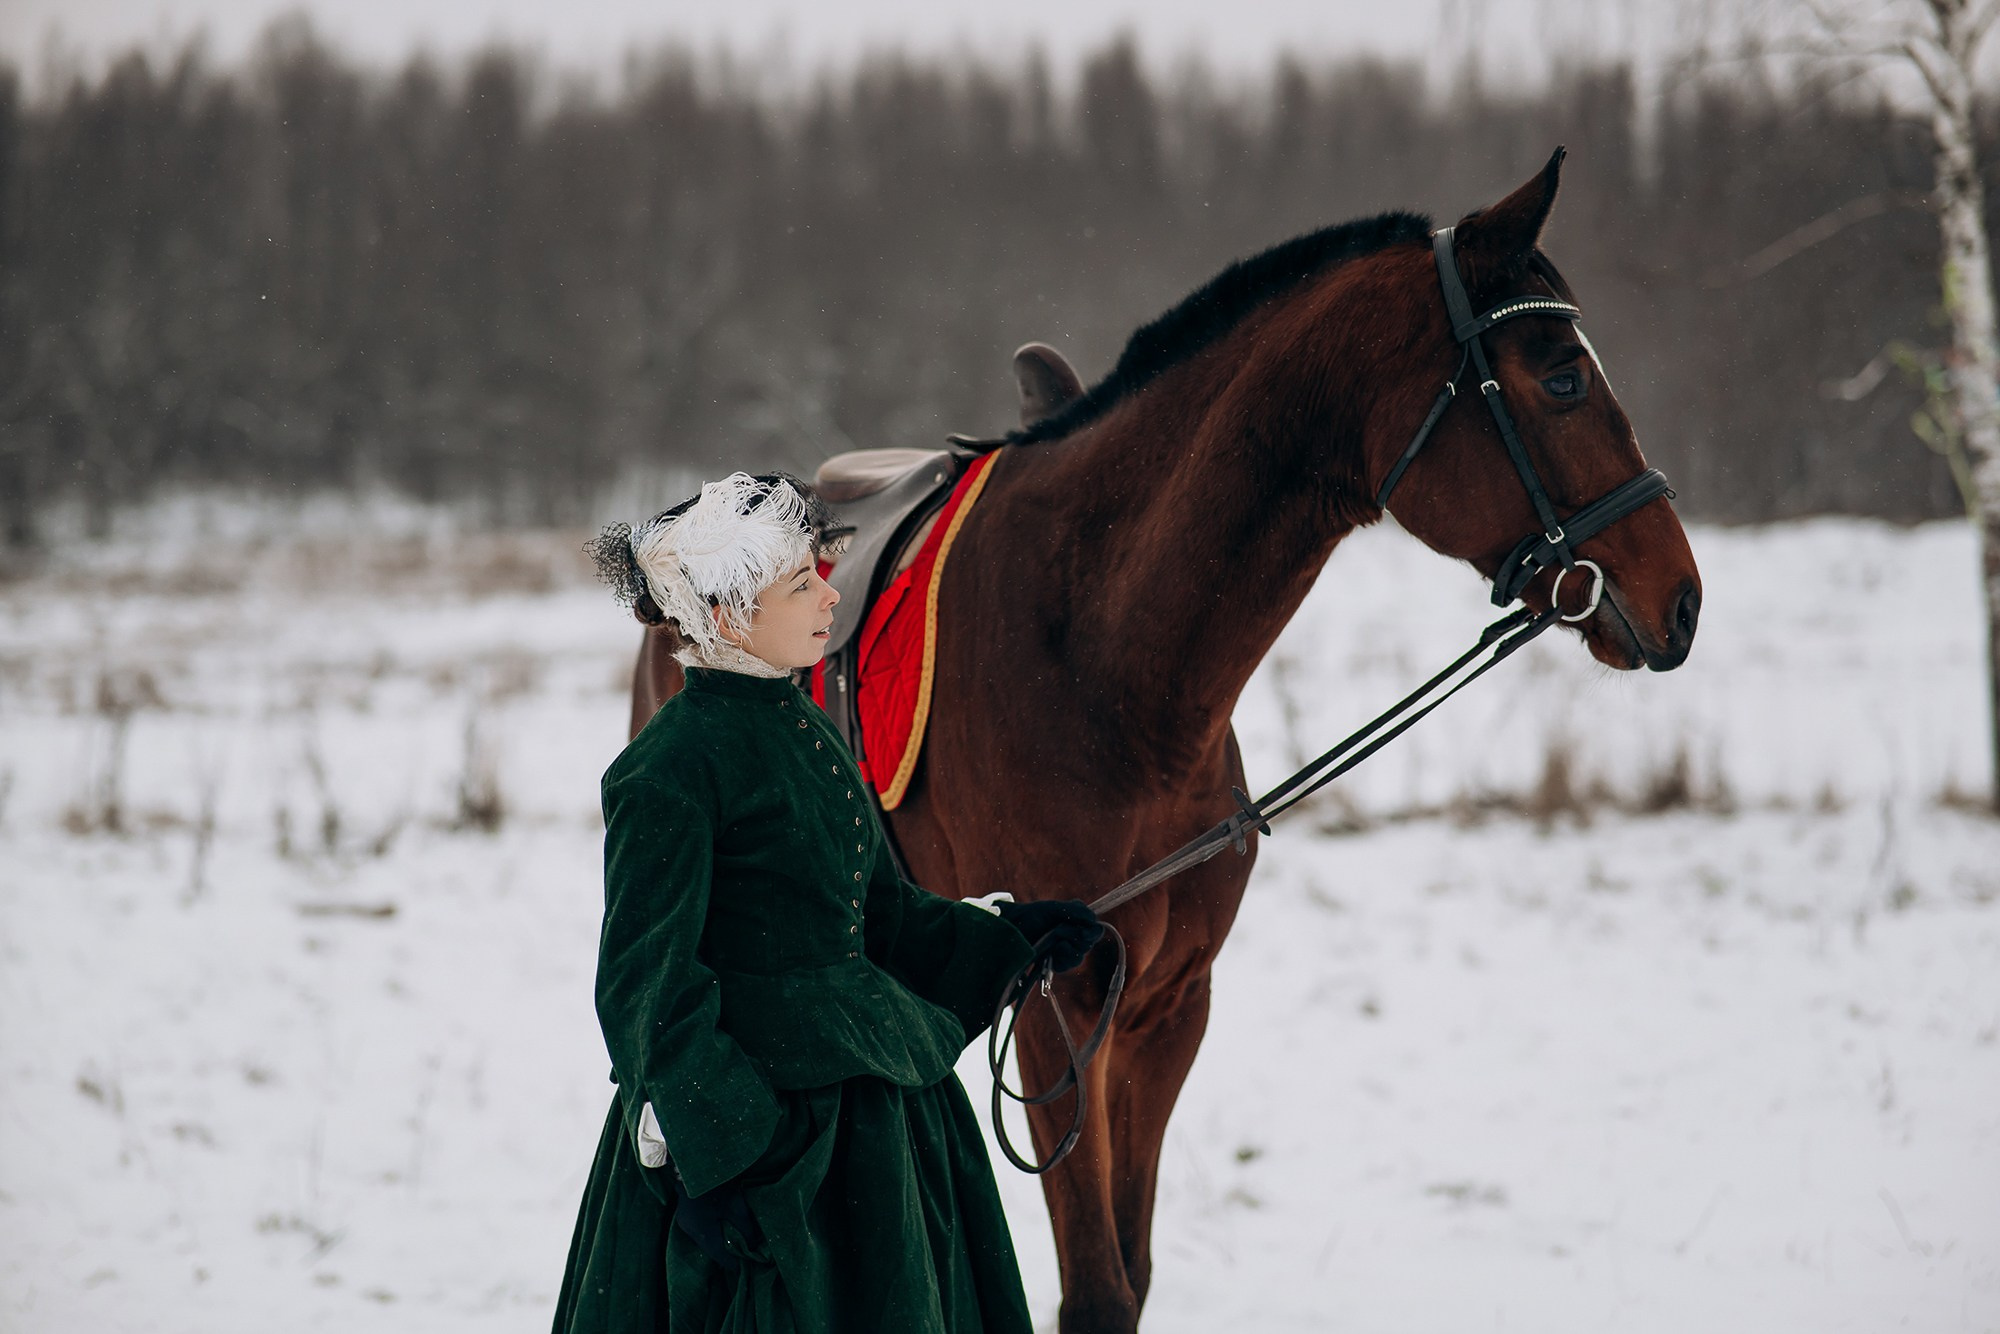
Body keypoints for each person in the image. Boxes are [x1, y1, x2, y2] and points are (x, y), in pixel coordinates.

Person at [556, 471, 1103, 1334]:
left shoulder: (803, 726)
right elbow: (646, 990)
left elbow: (874, 918)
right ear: (732, 616)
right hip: (765, 1138)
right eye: (801, 583)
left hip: (873, 1130)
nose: (830, 593)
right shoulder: (670, 769)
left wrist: (1004, 938)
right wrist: (723, 1160)